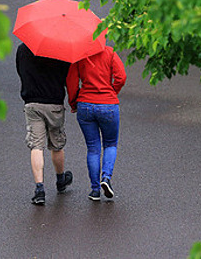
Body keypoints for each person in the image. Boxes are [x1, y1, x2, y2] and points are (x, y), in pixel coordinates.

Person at [66, 46, 127, 201]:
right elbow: (121, 77)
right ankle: (106, 178)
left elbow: (71, 81)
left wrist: (74, 103)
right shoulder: (110, 52)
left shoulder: (79, 54)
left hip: (85, 104)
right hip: (108, 105)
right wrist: (112, 92)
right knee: (111, 144)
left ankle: (94, 190)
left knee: (93, 148)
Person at [16, 43, 73, 205]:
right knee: (56, 144)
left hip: (32, 101)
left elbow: (21, 71)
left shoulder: (23, 49)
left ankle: (39, 189)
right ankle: (60, 179)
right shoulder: (61, 49)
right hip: (54, 101)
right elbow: (66, 75)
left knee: (36, 145)